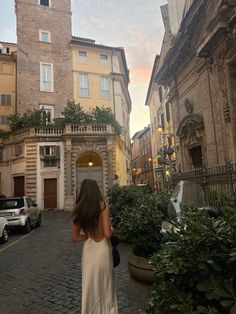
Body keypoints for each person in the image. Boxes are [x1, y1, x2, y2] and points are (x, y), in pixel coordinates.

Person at [71, 178, 118, 314]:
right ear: (96, 190)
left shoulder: (79, 210)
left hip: (89, 251)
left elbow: (74, 237)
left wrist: (85, 236)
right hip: (103, 250)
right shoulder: (103, 206)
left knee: (90, 287)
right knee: (106, 286)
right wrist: (113, 228)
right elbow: (108, 234)